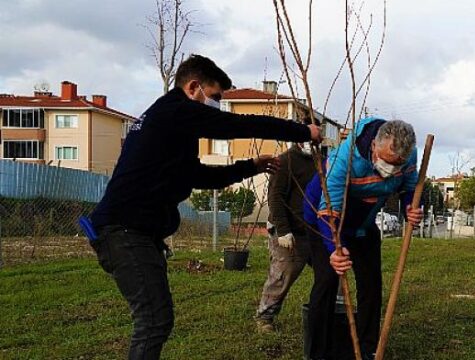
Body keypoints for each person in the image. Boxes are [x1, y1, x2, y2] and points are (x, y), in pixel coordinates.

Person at [87, 54, 322, 359]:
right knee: (154, 321)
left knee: (156, 321)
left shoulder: (172, 128)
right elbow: (237, 124)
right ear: (193, 87)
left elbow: (198, 175)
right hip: (124, 232)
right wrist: (302, 132)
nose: (217, 106)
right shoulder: (175, 111)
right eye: (214, 98)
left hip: (134, 233)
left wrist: (251, 165)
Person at [303, 118, 423, 360]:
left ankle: (368, 348)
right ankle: (318, 353)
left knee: (371, 283)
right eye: (388, 162)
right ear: (374, 147)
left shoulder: (408, 155)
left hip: (363, 224)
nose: (392, 170)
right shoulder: (343, 160)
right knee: (327, 281)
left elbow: (409, 186)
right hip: (324, 221)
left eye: (398, 165)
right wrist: (334, 249)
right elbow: (328, 211)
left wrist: (411, 205)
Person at [255, 142, 317, 332]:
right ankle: (265, 317)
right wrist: (283, 231)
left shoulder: (320, 162)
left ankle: (331, 311)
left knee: (332, 272)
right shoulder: (284, 162)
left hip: (314, 231)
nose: (311, 144)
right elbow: (275, 197)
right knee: (283, 274)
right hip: (289, 231)